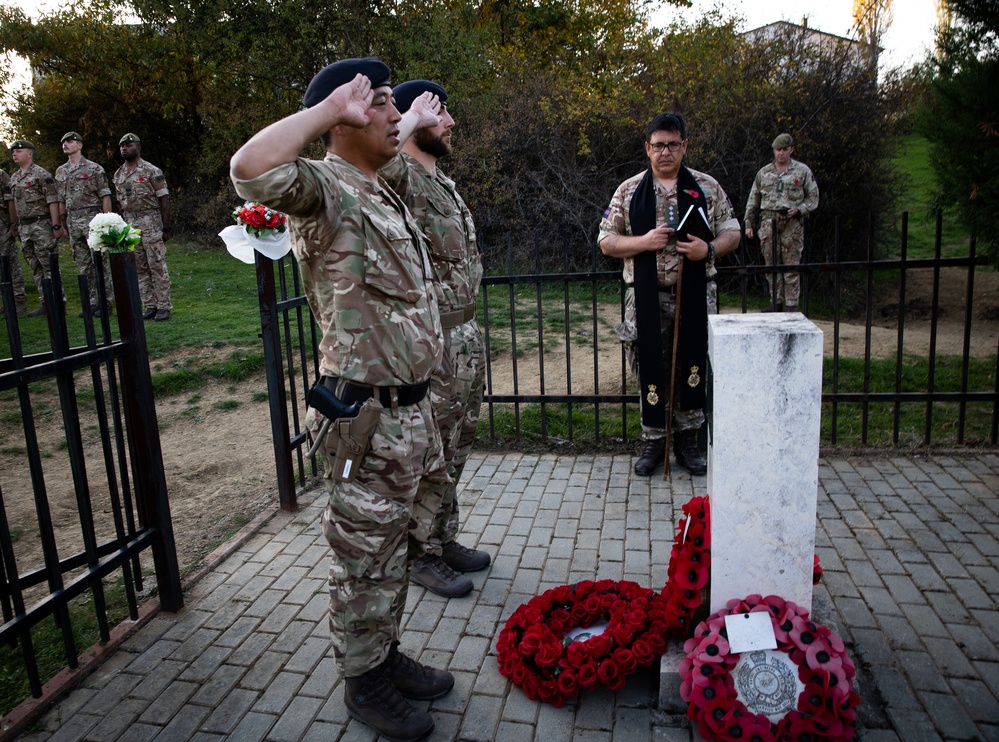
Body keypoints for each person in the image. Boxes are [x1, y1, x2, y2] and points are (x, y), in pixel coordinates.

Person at [230, 58, 455, 742]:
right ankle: (363, 683)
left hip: (411, 411)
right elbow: (249, 168)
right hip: (366, 415)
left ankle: (382, 658)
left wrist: (403, 116)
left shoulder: (382, 187)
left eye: (393, 106)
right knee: (364, 558)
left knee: (392, 553)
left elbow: (411, 129)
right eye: (382, 104)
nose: (395, 115)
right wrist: (332, 108)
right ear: (345, 117)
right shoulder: (326, 188)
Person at [381, 79, 490, 599]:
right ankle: (419, 555)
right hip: (436, 342)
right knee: (433, 455)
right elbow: (374, 161)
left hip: (465, 336)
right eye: (439, 113)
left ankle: (443, 537)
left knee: (458, 446)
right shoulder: (398, 173)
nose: (449, 122)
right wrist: (410, 119)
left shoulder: (439, 180)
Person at [599, 113, 740, 477]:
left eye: (673, 144)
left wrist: (706, 250)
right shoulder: (629, 191)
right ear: (647, 148)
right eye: (658, 145)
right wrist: (642, 242)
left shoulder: (706, 188)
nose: (665, 152)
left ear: (684, 147)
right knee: (649, 367)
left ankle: (688, 442)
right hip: (646, 296)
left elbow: (732, 231)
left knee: (691, 364)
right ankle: (654, 441)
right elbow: (605, 240)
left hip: (693, 295)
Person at [743, 133, 820, 312]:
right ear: (773, 150)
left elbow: (813, 196)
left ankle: (792, 306)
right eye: (778, 150)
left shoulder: (802, 171)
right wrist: (749, 223)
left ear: (791, 149)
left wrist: (800, 209)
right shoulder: (764, 173)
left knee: (791, 266)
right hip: (768, 222)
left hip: (791, 223)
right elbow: (753, 199)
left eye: (785, 150)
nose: (781, 154)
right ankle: (776, 303)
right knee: (771, 266)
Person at [113, 133, 172, 321]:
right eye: (122, 146)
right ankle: (150, 304)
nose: (124, 148)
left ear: (138, 148)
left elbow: (164, 199)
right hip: (130, 224)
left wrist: (166, 227)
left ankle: (163, 305)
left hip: (151, 221)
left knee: (156, 265)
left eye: (129, 145)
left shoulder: (151, 171)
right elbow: (120, 203)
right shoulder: (118, 174)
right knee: (138, 267)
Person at [55, 131, 114, 316]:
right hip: (73, 221)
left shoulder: (94, 168)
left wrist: (106, 221)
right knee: (83, 265)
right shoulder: (61, 171)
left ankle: (106, 302)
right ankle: (92, 302)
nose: (66, 144)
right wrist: (61, 223)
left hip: (92, 218)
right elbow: (60, 199)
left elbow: (105, 195)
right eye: (64, 142)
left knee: (101, 262)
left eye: (70, 141)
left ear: (80, 145)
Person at [9, 140, 65, 317]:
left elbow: (52, 201)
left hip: (42, 226)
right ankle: (45, 302)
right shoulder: (15, 177)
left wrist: (56, 225)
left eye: (19, 151)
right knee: (35, 267)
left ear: (30, 153)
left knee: (49, 265)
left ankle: (59, 302)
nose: (14, 154)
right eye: (13, 152)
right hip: (25, 228)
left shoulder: (42, 174)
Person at [0, 165, 28, 316]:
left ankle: (19, 302)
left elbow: (10, 201)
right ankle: (6, 301)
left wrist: (12, 223)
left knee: (10, 263)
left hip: (2, 225)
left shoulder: (1, 175)